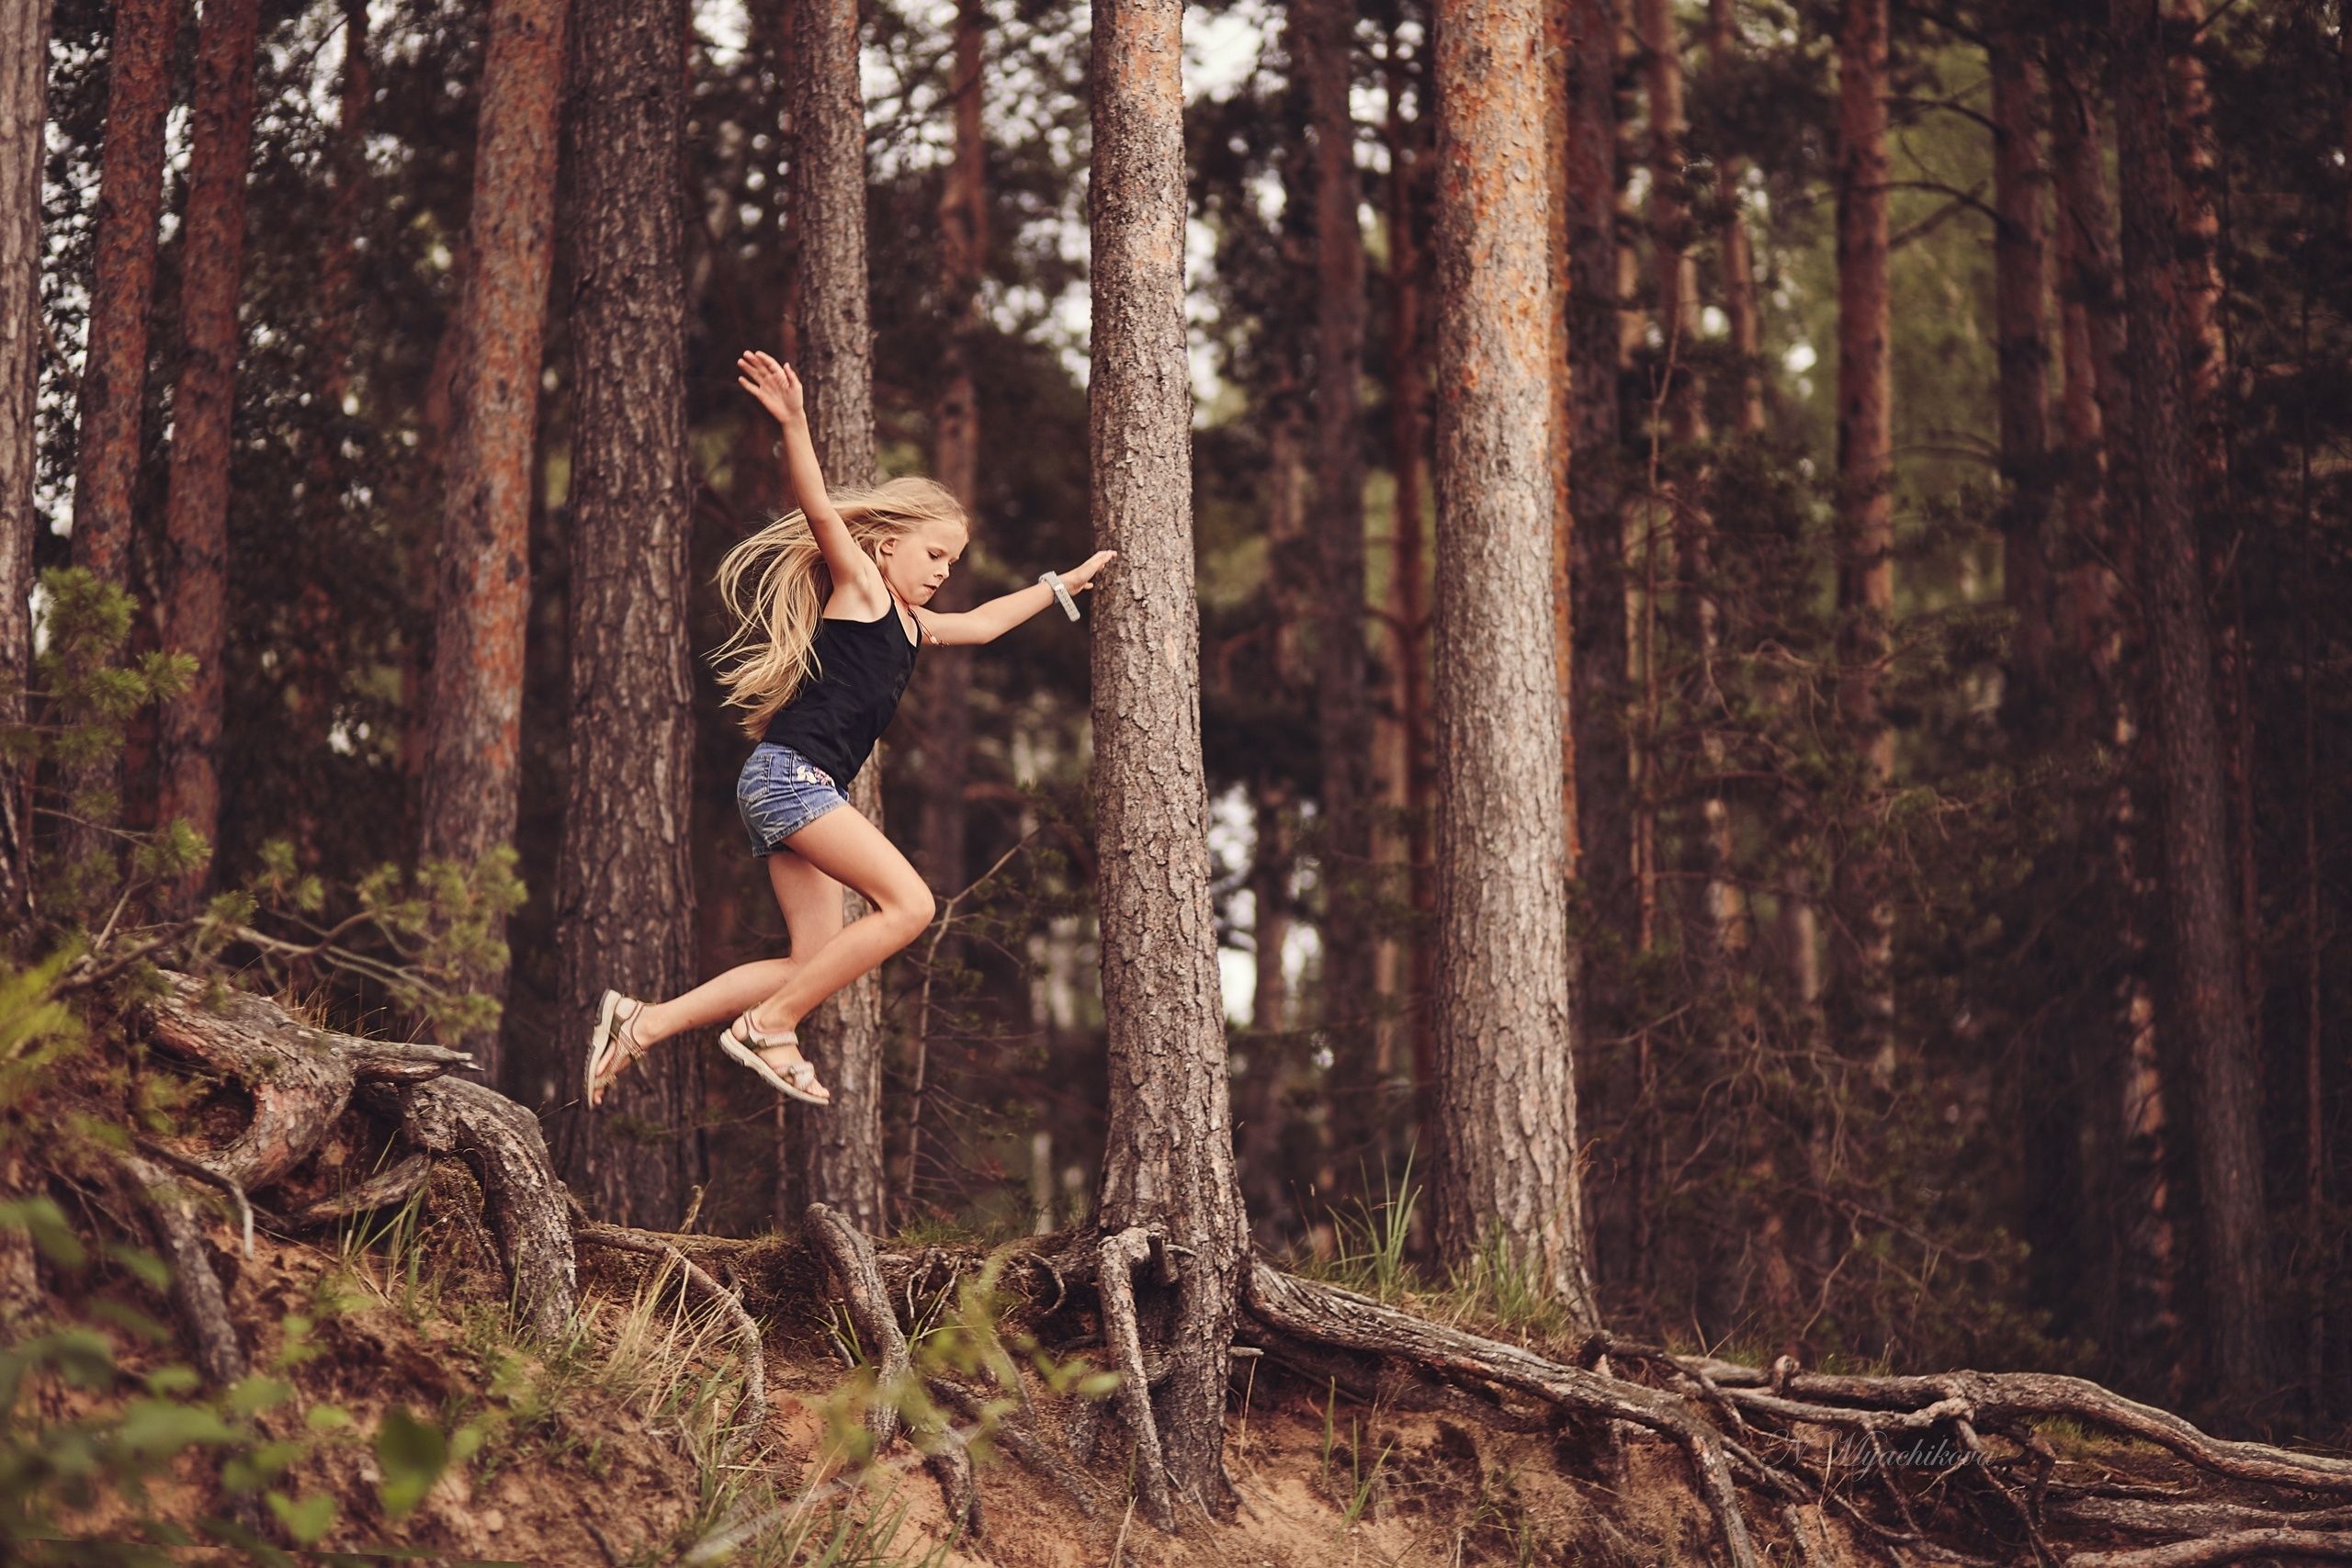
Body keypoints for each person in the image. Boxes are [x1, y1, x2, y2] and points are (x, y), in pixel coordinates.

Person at [584, 351, 1114, 1110]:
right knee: (911, 906)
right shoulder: (862, 587)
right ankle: (768, 1026)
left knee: (814, 958)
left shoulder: (913, 621)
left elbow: (985, 623)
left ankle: (642, 1023)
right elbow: (821, 511)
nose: (941, 573)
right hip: (789, 778)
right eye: (933, 555)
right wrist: (795, 422)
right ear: (884, 543)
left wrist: (1061, 585)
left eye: (952, 563)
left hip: (792, 784)